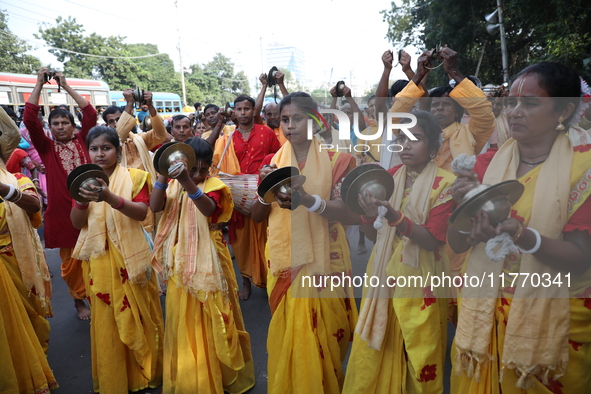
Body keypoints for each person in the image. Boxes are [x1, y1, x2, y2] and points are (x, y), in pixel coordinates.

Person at [448, 62, 591, 393]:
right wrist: (463, 208)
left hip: (552, 319)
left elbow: (581, 258)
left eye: (529, 103)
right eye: (511, 102)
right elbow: (456, 242)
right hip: (486, 317)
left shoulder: (583, 167)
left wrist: (518, 234)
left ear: (564, 109)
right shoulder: (487, 164)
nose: (514, 112)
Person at [251, 92, 358, 393]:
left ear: (314, 121)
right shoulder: (273, 162)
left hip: (327, 258)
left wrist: (306, 200)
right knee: (291, 337)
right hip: (285, 260)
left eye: (297, 118)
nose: (289, 125)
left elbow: (349, 213)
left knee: (326, 337)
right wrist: (264, 188)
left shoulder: (340, 160)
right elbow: (258, 216)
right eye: (285, 119)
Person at [342, 111, 455, 393]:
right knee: (379, 349)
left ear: (433, 148)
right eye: (401, 139)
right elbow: (372, 236)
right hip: (382, 274)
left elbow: (430, 240)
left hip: (422, 279)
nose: (405, 145)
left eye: (415, 139)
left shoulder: (446, 184)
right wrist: (367, 216)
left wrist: (394, 216)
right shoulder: (387, 178)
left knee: (420, 349)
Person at [151, 137, 255, 393]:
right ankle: (193, 375)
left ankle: (221, 374)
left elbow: (208, 210)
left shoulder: (215, 185)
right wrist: (164, 176)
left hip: (211, 262)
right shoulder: (173, 185)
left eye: (202, 169)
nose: (196, 174)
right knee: (183, 317)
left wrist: (186, 180)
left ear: (210, 167)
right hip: (180, 260)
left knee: (214, 314)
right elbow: (154, 206)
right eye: (191, 168)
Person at [70, 126, 163, 392]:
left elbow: (142, 212)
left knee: (140, 313)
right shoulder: (81, 183)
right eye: (94, 148)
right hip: (99, 261)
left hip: (131, 258)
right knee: (108, 320)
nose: (100, 154)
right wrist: (81, 202)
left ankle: (146, 371)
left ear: (118, 151)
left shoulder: (135, 177)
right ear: (87, 152)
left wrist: (110, 197)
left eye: (106, 148)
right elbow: (77, 224)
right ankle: (116, 377)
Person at [24, 68, 96, 320]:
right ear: (50, 127)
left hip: (92, 208)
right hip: (62, 214)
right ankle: (79, 302)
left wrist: (65, 86)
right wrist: (38, 85)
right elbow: (30, 118)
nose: (61, 126)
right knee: (71, 264)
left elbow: (90, 113)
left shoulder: (84, 139)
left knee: (97, 256)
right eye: (55, 123)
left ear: (72, 125)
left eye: (65, 122)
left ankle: (100, 296)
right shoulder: (46, 146)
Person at [0, 105, 57, 393]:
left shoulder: (16, 181)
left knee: (31, 324)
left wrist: (4, 190)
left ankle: (34, 376)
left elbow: (34, 205)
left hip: (17, 265)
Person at [212, 94, 281, 300]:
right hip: (238, 198)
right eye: (239, 109)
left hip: (262, 195)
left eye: (247, 109)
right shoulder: (227, 138)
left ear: (254, 111)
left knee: (267, 239)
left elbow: (277, 159)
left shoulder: (267, 133)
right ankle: (246, 282)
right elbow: (217, 166)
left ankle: (271, 280)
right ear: (234, 112)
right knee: (241, 242)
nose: (243, 113)